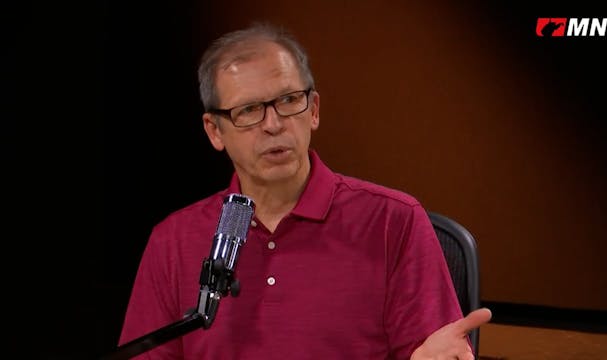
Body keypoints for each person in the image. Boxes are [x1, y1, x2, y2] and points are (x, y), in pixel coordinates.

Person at [118, 22, 491, 359]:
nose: (273, 124)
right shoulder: (174, 241)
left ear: (313, 110)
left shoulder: (394, 222)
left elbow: (432, 351)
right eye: (249, 110)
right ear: (215, 131)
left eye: (287, 101)